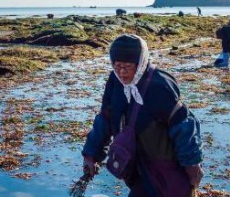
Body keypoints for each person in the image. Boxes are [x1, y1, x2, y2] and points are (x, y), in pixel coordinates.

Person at [82, 34, 203, 196]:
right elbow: (105, 118)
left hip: (165, 165)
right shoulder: (115, 81)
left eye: (128, 67)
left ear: (140, 63)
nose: (122, 73)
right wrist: (92, 154)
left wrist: (191, 164)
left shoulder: (160, 85)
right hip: (136, 162)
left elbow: (184, 126)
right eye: (117, 66)